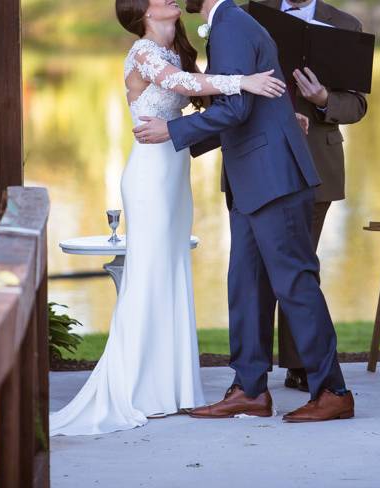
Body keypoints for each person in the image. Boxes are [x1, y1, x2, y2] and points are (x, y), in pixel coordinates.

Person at [49, 0, 288, 436]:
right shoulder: (144, 51)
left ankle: (173, 388)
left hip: (175, 172)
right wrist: (246, 81)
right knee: (149, 272)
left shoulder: (177, 50)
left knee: (173, 270)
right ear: (143, 12)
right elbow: (183, 84)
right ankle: (137, 389)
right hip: (148, 174)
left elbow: (201, 99)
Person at [133, 0, 354, 422]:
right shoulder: (230, 23)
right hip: (253, 180)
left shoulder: (231, 26)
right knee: (245, 286)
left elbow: (234, 108)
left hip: (273, 178)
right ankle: (249, 389)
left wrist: (173, 130)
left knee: (295, 284)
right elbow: (244, 104)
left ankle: (332, 391)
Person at [248, 0, 368, 392]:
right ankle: (251, 369)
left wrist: (322, 100)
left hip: (316, 164)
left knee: (299, 265)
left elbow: (357, 104)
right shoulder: (253, 16)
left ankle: (301, 364)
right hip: (258, 159)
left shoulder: (345, 24)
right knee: (255, 269)